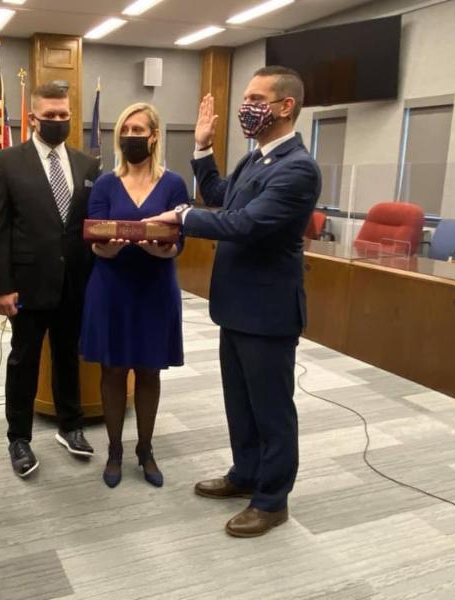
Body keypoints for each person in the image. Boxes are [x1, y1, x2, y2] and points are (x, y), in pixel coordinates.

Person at [148, 66, 321, 537]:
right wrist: (202, 148)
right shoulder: (257, 159)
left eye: (256, 97)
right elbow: (224, 198)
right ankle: (246, 474)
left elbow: (242, 224)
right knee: (239, 405)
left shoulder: (298, 168)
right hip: (236, 308)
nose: (246, 106)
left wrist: (183, 216)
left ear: (285, 106)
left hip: (268, 314)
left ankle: (272, 500)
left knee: (271, 411)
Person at [0, 83, 100, 478]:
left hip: (75, 283)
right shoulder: (7, 161)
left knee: (69, 355)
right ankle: (19, 437)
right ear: (33, 118)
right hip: (27, 284)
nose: (57, 121)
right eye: (49, 116)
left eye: (63, 115)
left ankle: (71, 426)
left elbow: (87, 226)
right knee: (24, 360)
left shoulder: (87, 165)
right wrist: (1, 286)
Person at [79, 103, 186, 488]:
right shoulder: (106, 183)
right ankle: (114, 450)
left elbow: (180, 239)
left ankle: (145, 448)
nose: (130, 136)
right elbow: (94, 233)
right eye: (125, 129)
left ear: (154, 136)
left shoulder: (173, 183)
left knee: (149, 369)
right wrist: (104, 248)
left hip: (155, 287)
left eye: (139, 129)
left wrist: (165, 249)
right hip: (111, 287)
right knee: (112, 370)